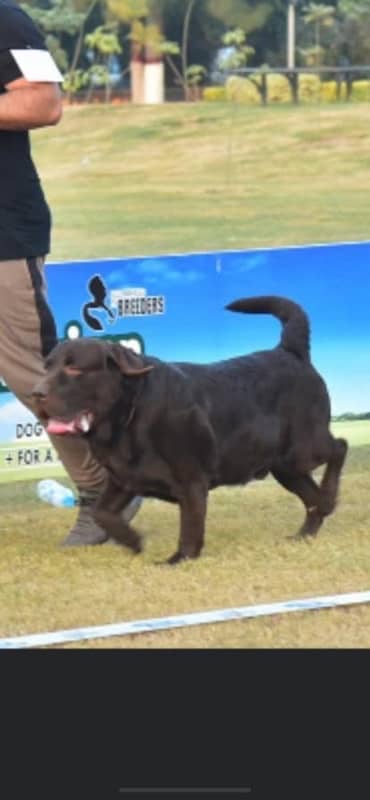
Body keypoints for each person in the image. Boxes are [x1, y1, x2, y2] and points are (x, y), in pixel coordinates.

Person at [0, 0, 141, 545]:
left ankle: (105, 491)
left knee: (37, 374)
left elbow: (44, 102)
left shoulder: (7, 18)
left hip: (4, 232)